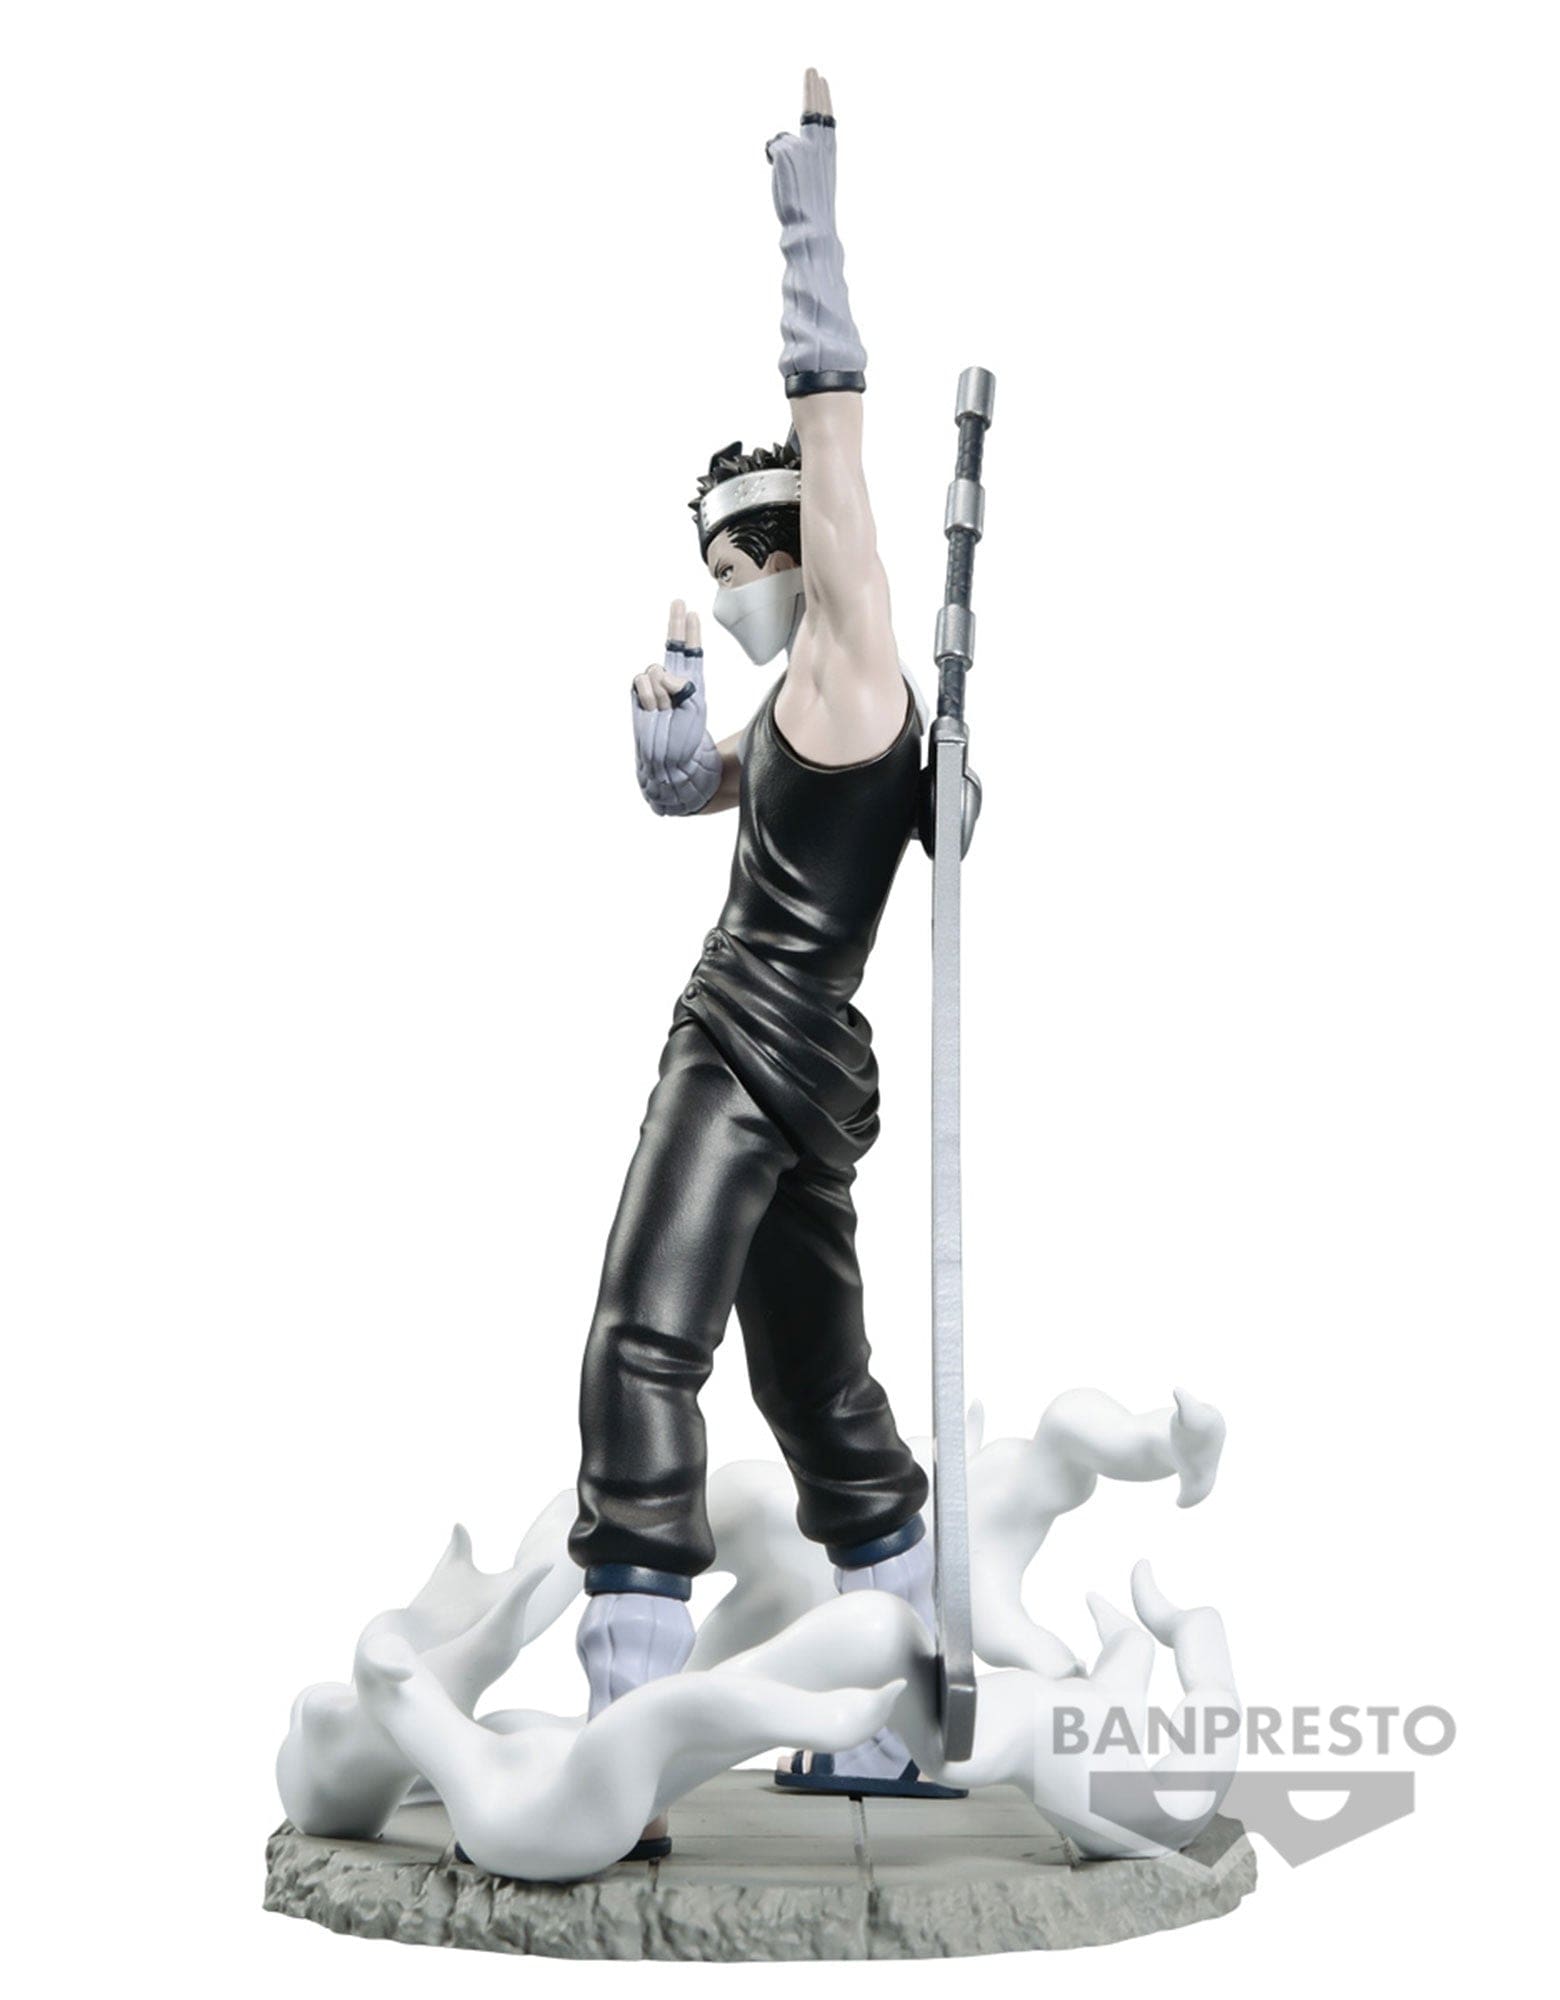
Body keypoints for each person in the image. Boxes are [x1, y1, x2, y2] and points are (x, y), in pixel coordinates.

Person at [570, 73, 953, 1843]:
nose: (719, 584)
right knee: (817, 1392)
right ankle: (907, 1706)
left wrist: (805, 196)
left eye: (732, 557)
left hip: (744, 1048)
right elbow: (700, 792)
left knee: (642, 1347)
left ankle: (623, 1733)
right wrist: (669, 731)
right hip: (806, 1068)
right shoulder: (809, 701)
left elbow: (835, 423)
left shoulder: (851, 654)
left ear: (796, 548)